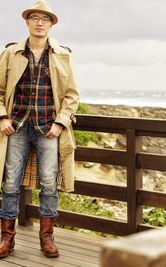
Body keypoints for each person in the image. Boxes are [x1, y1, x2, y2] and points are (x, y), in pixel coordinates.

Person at [0, 0, 79, 258]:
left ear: (51, 24)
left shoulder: (62, 54)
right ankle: (7, 238)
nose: (40, 22)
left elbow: (71, 96)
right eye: (35, 17)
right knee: (10, 183)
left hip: (48, 128)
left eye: (45, 19)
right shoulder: (10, 53)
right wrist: (2, 117)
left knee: (49, 184)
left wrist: (61, 122)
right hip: (17, 127)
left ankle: (47, 238)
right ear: (27, 22)